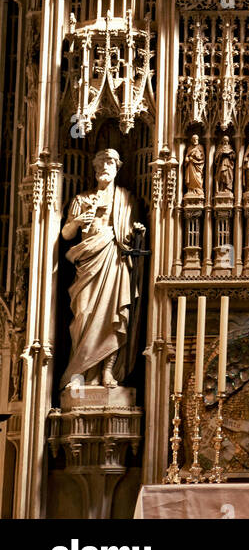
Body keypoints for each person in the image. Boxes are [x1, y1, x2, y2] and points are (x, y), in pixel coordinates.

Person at [60, 148, 144, 389]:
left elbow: (131, 236)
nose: (105, 167)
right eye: (101, 163)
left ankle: (107, 372)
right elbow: (66, 233)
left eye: (110, 163)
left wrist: (138, 231)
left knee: (113, 317)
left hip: (115, 262)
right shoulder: (81, 199)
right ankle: (82, 375)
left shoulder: (126, 199)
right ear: (95, 168)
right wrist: (77, 221)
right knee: (84, 315)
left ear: (117, 168)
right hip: (87, 264)